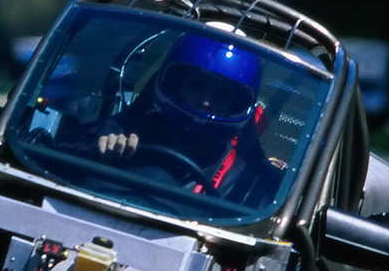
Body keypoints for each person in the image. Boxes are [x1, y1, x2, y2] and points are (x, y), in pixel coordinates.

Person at [92, 32, 283, 202]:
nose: (205, 102)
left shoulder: (242, 184)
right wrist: (102, 157)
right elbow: (68, 157)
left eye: (220, 95)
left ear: (236, 104)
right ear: (176, 83)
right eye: (196, 86)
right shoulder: (122, 131)